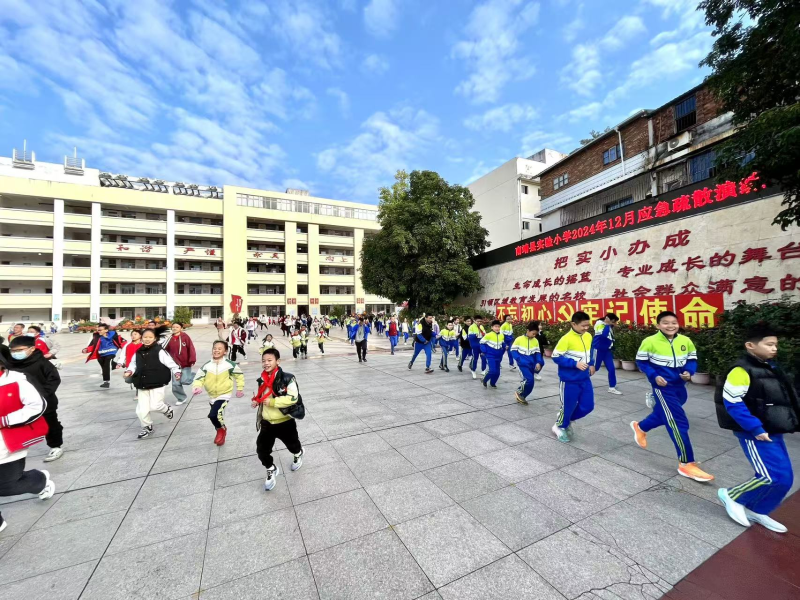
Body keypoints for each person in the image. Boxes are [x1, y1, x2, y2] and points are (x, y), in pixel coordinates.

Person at [715, 324, 798, 533]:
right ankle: (732, 495)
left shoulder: (771, 367)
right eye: (769, 344)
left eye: (775, 344)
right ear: (750, 345)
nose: (774, 348)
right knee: (770, 476)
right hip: (754, 432)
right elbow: (732, 402)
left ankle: (757, 509)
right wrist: (755, 428)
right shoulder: (740, 370)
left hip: (773, 428)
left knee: (785, 478)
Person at [631, 311, 713, 482]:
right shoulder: (650, 341)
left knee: (667, 412)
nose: (670, 326)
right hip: (662, 387)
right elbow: (642, 362)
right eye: (666, 323)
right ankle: (686, 463)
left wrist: (689, 372)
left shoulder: (685, 340)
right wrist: (654, 376)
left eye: (674, 323)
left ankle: (641, 427)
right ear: (658, 325)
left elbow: (692, 359)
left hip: (680, 386)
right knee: (677, 421)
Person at [0, 352, 55, 533]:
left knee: (7, 485)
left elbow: (37, 406)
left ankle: (40, 481)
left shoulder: (16, 381)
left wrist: (5, 420)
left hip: (7, 443)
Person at [251, 348, 304, 491]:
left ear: (277, 361)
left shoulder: (288, 378)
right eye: (263, 361)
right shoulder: (262, 378)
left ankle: (298, 454)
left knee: (293, 445)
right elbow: (263, 395)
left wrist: (273, 402)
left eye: (269, 360)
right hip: (267, 423)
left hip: (284, 422)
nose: (266, 363)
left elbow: (293, 398)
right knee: (261, 450)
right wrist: (257, 401)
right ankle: (271, 469)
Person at [6, 337, 64, 462]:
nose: (15, 353)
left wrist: (42, 395)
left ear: (32, 349)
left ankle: (55, 446)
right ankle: (16, 448)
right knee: (18, 424)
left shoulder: (42, 362)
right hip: (20, 402)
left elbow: (54, 379)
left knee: (50, 423)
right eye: (13, 351)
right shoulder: (9, 364)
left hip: (44, 400)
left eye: (19, 350)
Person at [124, 329, 179, 439]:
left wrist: (177, 372)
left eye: (150, 337)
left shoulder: (159, 351)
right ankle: (147, 427)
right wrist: (129, 371)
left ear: (155, 338)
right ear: (141, 338)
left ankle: (167, 409)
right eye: (145, 337)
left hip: (157, 382)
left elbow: (172, 364)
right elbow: (133, 364)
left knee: (155, 406)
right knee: (141, 409)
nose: (147, 339)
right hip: (142, 383)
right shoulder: (138, 351)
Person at [551, 311, 595, 443]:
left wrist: (591, 364)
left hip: (585, 378)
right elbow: (556, 356)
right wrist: (574, 364)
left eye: (588, 325)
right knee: (568, 406)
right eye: (583, 326)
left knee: (588, 406)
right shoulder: (566, 339)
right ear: (573, 324)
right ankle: (559, 426)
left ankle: (565, 418)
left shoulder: (588, 336)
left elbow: (590, 351)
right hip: (569, 380)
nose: (586, 328)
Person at [192, 341, 245, 446]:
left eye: (219, 349)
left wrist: (240, 389)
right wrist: (197, 386)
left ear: (225, 351)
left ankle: (221, 430)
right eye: (215, 348)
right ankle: (220, 428)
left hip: (224, 394)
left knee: (213, 414)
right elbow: (199, 377)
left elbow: (239, 376)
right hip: (212, 395)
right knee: (215, 416)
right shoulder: (207, 365)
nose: (216, 350)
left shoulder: (229, 365)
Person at [511, 321, 545, 405]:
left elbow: (537, 353)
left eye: (535, 334)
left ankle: (522, 396)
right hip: (522, 365)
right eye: (533, 333)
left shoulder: (535, 341)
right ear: (528, 331)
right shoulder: (519, 339)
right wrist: (519, 360)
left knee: (531, 383)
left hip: (531, 364)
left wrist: (538, 362)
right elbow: (513, 351)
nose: (534, 335)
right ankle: (519, 392)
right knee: (529, 380)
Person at [82, 323, 126, 388]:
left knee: (106, 365)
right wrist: (86, 349)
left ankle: (106, 382)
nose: (99, 331)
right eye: (98, 330)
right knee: (104, 366)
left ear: (106, 330)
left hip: (111, 352)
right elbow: (92, 345)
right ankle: (120, 364)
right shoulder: (97, 337)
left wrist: (126, 348)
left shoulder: (113, 335)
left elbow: (123, 342)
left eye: (100, 330)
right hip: (101, 353)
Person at [164, 322, 196, 406]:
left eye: (177, 327)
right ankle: (181, 398)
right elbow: (165, 350)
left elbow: (191, 348)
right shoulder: (169, 338)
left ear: (181, 328)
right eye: (173, 327)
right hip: (175, 365)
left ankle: (195, 375)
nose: (174, 328)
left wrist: (192, 359)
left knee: (185, 381)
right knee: (176, 384)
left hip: (185, 363)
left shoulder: (185, 337)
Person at [592, 314, 623, 395]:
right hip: (598, 350)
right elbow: (603, 336)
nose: (614, 323)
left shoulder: (609, 326)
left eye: (614, 322)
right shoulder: (599, 323)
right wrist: (608, 324)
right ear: (607, 318)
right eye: (613, 321)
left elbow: (610, 337)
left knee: (611, 369)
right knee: (594, 368)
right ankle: (579, 381)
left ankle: (612, 387)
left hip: (607, 351)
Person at [480, 320, 505, 388]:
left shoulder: (501, 335)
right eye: (495, 326)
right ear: (492, 327)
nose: (497, 328)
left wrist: (504, 347)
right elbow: (481, 343)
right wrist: (484, 351)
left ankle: (492, 383)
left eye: (498, 326)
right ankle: (485, 380)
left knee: (497, 372)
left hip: (498, 355)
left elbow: (502, 343)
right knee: (492, 370)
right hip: (490, 355)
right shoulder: (488, 335)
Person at [123, 329, 144, 400]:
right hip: (131, 366)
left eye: (135, 334)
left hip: (141, 366)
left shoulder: (143, 345)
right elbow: (126, 355)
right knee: (128, 380)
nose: (133, 336)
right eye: (132, 335)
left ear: (140, 335)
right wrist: (125, 364)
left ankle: (139, 393)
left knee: (139, 379)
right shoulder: (128, 346)